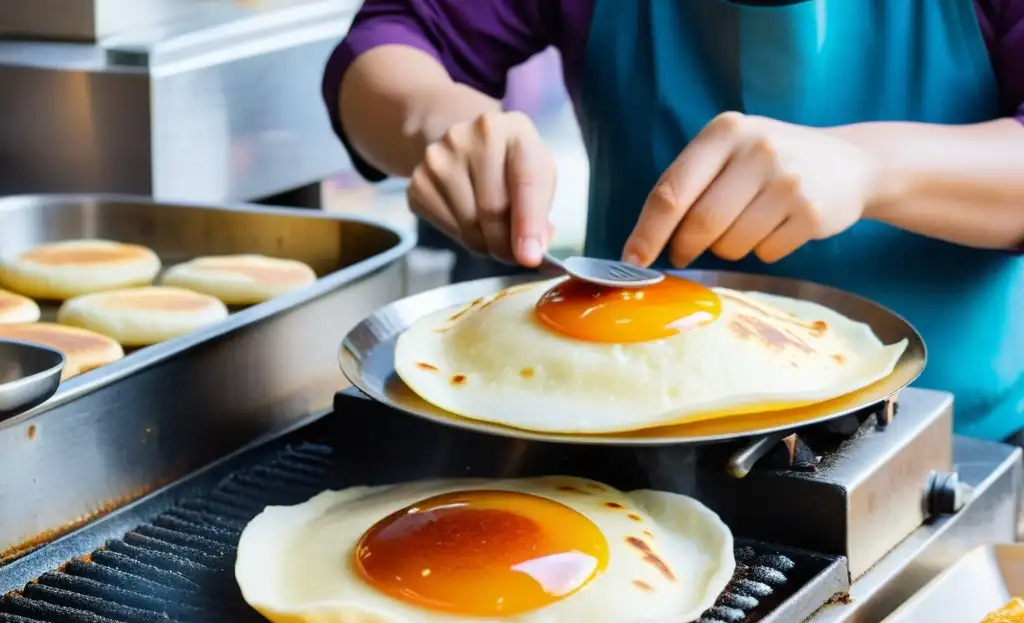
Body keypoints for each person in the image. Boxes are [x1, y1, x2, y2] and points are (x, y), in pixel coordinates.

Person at [321, 0, 1024, 442]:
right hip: (611, 442)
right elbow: (397, 35)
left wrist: (872, 168)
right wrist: (445, 128)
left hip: (959, 443)